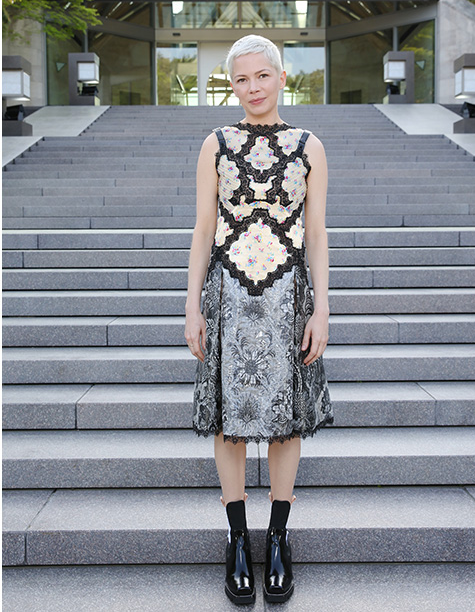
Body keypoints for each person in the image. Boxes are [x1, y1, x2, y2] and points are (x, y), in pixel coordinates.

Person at [185, 34, 335, 605]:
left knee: (286, 420)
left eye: (262, 76)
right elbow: (204, 228)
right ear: (232, 85)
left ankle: (276, 538)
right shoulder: (216, 144)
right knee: (228, 419)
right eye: (241, 79)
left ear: (281, 77)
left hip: (287, 296)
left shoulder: (309, 146)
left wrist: (322, 307)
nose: (252, 88)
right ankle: (235, 540)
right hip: (228, 293)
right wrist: (192, 304)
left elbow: (316, 233)